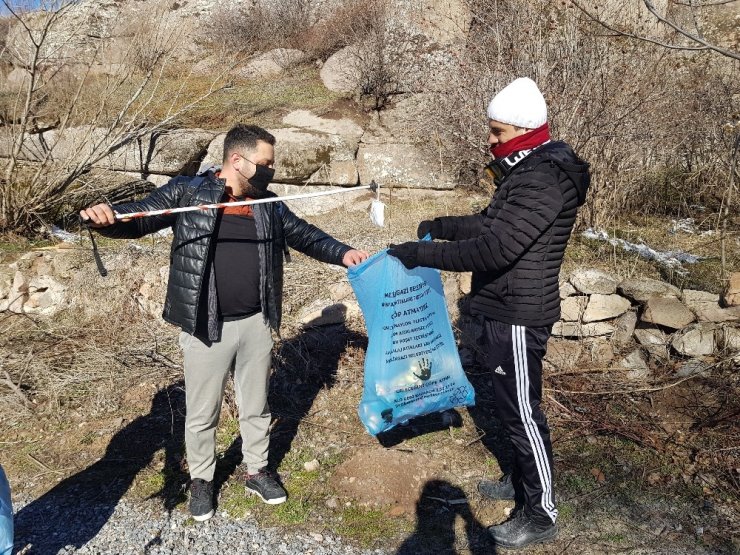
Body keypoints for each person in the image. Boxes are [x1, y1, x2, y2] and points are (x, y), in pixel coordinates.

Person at [81, 124, 369, 522]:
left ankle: (257, 470)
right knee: (203, 411)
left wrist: (345, 253)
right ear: (237, 160)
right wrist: (107, 220)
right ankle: (201, 480)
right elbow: (139, 218)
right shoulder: (188, 192)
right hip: (204, 324)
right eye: (265, 164)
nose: (271, 171)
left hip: (256, 322)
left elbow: (308, 236)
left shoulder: (268, 204)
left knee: (256, 406)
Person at [387, 77, 590, 549]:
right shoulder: (525, 170)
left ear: (521, 131)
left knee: (522, 413)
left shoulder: (544, 178)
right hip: (501, 308)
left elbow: (497, 249)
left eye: (496, 132)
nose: (490, 139)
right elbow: (488, 223)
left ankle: (540, 512)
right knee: (506, 406)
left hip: (518, 315)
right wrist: (442, 227)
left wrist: (422, 255)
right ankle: (518, 482)